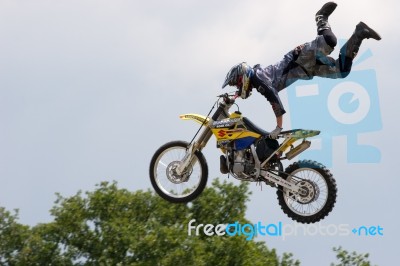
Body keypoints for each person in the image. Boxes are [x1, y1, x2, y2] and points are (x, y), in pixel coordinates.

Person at [222, 2, 381, 139]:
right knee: (342, 70)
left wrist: (278, 127)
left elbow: (273, 98)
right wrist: (232, 98)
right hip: (307, 70)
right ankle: (359, 33)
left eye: (237, 82)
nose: (238, 86)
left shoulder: (258, 79)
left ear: (243, 75)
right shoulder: (256, 80)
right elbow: (244, 90)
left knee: (329, 41)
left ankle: (321, 17)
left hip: (299, 59)